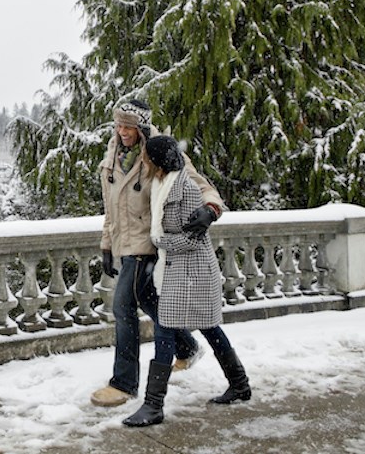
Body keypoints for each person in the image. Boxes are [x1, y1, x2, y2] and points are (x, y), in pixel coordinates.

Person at [91, 100, 225, 408]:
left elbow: (199, 184)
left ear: (141, 126)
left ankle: (124, 383)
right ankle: (187, 346)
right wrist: (106, 246)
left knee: (123, 308)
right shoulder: (112, 155)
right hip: (124, 245)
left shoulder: (159, 151)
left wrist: (210, 209)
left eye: (129, 126)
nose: (122, 131)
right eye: (119, 125)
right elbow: (110, 208)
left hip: (149, 245)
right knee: (150, 301)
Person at [122, 135, 251, 426]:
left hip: (191, 272)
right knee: (209, 328)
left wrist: (161, 241)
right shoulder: (162, 184)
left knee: (165, 331)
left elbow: (194, 239)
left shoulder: (186, 189)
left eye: (147, 156)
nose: (143, 159)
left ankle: (153, 405)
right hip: (180, 271)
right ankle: (240, 384)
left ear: (157, 161)